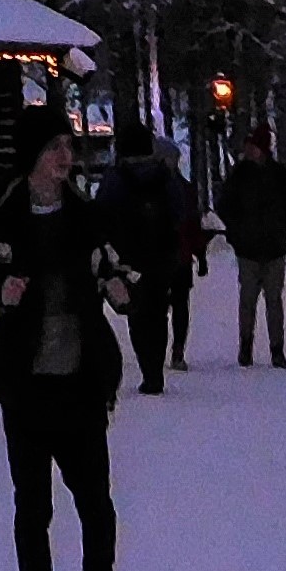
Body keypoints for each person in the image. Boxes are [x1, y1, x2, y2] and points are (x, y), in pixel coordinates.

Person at [0, 116, 132, 571]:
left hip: (80, 384)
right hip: (25, 389)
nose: (65, 156)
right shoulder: (3, 221)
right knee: (32, 511)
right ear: (33, 156)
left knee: (96, 505)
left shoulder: (88, 218)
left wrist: (121, 287)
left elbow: (117, 269)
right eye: (54, 147)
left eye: (68, 147)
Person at [111, 131, 199, 390]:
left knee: (136, 313)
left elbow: (104, 212)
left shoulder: (116, 178)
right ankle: (157, 369)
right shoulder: (165, 177)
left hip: (130, 256)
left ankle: (147, 368)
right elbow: (179, 212)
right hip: (162, 255)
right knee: (159, 312)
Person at [214, 132, 286, 369]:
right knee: (249, 300)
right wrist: (237, 230)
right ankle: (246, 346)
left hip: (270, 246)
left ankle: (276, 348)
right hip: (250, 247)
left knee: (272, 300)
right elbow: (224, 205)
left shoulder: (277, 174)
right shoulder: (242, 175)